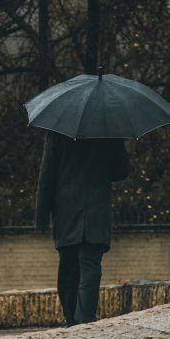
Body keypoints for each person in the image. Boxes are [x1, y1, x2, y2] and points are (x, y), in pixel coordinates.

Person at [35, 130, 131, 326]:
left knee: (68, 267)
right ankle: (85, 320)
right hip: (96, 209)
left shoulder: (57, 132)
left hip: (66, 211)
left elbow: (47, 175)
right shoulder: (109, 130)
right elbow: (123, 170)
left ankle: (72, 320)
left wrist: (41, 216)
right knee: (90, 265)